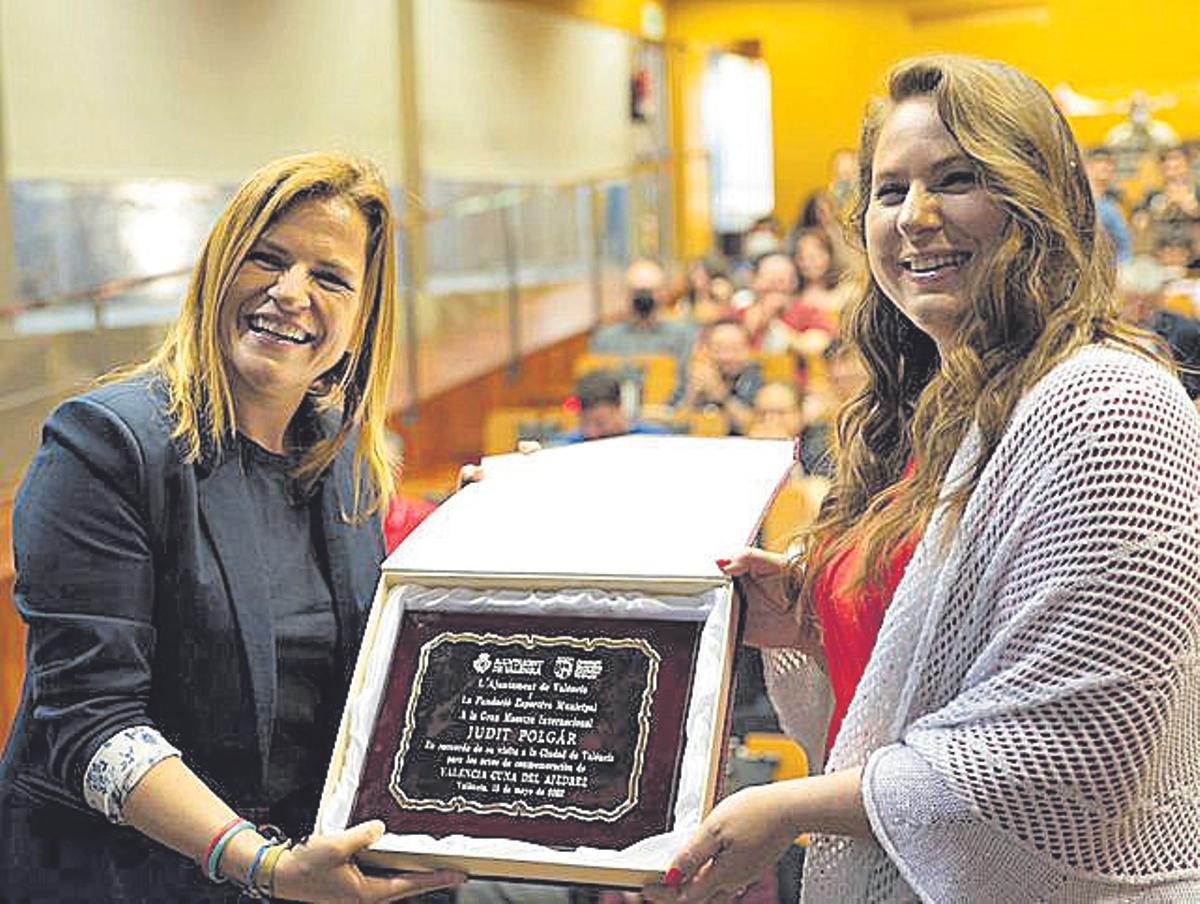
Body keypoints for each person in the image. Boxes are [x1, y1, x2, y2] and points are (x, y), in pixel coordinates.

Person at [646, 54, 1200, 903]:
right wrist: (809, 616)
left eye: (958, 179)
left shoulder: (1108, 406)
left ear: (1037, 200)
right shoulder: (921, 413)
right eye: (890, 190)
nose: (918, 217)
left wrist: (788, 808)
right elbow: (929, 659)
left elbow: (1071, 751)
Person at [0, 154, 465, 901]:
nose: (290, 294)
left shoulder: (341, 450)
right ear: (219, 269)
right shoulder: (104, 446)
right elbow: (88, 724)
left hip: (300, 867)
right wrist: (264, 866)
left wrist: (483, 552)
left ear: (361, 318)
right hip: (125, 877)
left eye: (330, 277)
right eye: (267, 258)